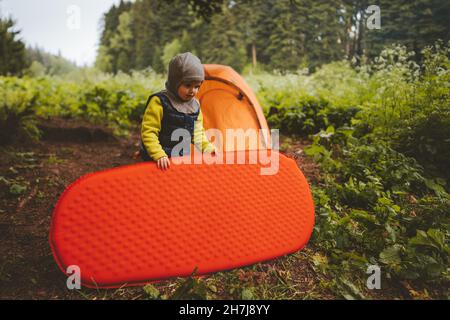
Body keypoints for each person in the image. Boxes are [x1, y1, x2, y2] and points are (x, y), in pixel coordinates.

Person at [140, 52, 216, 170]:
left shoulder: (195, 106)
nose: (192, 91)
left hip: (180, 160)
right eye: (187, 85)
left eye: (197, 86)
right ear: (175, 82)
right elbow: (149, 132)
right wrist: (158, 154)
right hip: (157, 161)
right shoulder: (159, 101)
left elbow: (197, 133)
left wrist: (208, 148)